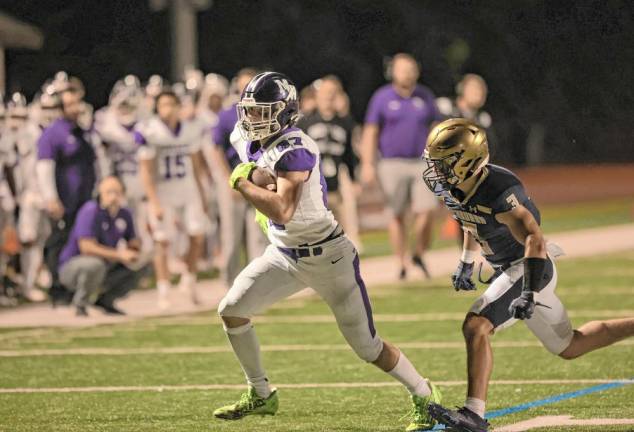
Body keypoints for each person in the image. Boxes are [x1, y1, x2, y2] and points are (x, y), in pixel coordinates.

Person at [212, 71, 442, 432]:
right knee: (232, 310)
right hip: (285, 254)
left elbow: (283, 209)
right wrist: (255, 179)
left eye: (263, 112)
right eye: (251, 111)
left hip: (328, 256)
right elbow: (253, 165)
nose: (253, 119)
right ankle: (261, 393)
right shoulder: (244, 136)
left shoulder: (295, 149)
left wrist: (243, 181)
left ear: (285, 112)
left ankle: (425, 394)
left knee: (368, 348)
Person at [422, 119, 634, 432]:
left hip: (530, 266)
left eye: (444, 164)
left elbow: (535, 239)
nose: (437, 171)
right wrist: (466, 261)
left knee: (476, 325)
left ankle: (474, 414)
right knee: (569, 346)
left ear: (467, 161)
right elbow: (469, 220)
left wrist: (529, 293)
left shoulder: (498, 190)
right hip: (511, 269)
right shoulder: (459, 187)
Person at [360, 53, 442, 280]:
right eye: (402, 68)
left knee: (427, 210)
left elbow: (437, 127)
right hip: (391, 162)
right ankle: (402, 261)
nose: (407, 73)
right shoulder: (382, 97)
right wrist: (368, 164)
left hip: (421, 162)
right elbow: (370, 131)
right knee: (395, 214)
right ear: (392, 72)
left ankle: (418, 252)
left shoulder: (425, 96)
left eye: (411, 68)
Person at [136, 89, 208, 309]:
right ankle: (164, 289)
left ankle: (189, 279)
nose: (167, 109)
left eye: (171, 104)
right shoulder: (151, 131)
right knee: (162, 240)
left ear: (178, 106)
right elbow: (146, 171)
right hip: (163, 191)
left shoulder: (190, 128)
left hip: (187, 189)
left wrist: (202, 193)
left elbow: (196, 165)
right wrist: (153, 201)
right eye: (163, 104)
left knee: (197, 234)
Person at [36, 81, 97, 301]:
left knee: (79, 242)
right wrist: (51, 198)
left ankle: (75, 288)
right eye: (69, 104)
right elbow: (44, 167)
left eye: (76, 103)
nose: (75, 108)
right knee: (59, 243)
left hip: (83, 198)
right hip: (64, 199)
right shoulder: (53, 133)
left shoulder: (83, 131)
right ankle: (57, 288)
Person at [208, 68, 267, 287]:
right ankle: (229, 282)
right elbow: (217, 149)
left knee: (258, 234)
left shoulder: (266, 110)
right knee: (231, 236)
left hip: (259, 178)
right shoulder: (227, 114)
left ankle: (256, 281)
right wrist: (229, 180)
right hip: (236, 176)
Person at [58, 177, 141, 316]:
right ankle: (80, 303)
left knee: (141, 265)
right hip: (74, 267)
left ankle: (106, 300)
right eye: (109, 192)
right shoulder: (90, 211)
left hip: (106, 265)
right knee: (95, 264)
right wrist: (119, 255)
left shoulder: (124, 214)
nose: (113, 197)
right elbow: (87, 248)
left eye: (117, 192)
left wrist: (135, 251)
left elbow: (133, 242)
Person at [296, 75, 362, 249]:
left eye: (332, 93)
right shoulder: (305, 122)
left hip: (334, 184)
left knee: (339, 231)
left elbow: (349, 155)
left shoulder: (345, 123)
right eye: (324, 93)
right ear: (316, 95)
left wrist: (354, 179)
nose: (328, 97)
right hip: (310, 185)